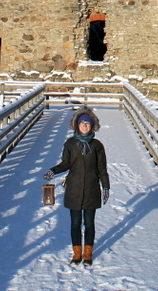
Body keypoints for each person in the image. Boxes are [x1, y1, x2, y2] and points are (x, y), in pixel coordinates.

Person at [44, 108, 110, 266]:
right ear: (77, 126)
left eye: (88, 123)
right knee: (75, 224)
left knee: (89, 224)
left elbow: (102, 168)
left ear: (92, 125)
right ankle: (76, 254)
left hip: (92, 189)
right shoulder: (70, 144)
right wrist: (53, 170)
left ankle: (88, 254)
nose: (85, 126)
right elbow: (66, 163)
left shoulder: (97, 146)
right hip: (74, 189)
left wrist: (106, 187)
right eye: (82, 123)